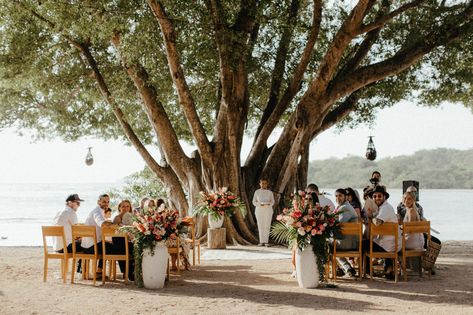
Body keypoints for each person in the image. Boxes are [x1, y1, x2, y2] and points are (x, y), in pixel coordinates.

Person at [362, 185, 401, 280]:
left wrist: (371, 216)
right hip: (391, 243)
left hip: (390, 245)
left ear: (384, 197)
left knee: (362, 244)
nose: (376, 198)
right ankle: (388, 268)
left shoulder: (385, 208)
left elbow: (377, 223)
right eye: (374, 196)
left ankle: (367, 271)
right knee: (370, 241)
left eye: (379, 196)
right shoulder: (383, 208)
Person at [81, 194, 115, 277]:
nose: (106, 204)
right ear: (98, 202)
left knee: (106, 245)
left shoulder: (98, 211)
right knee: (113, 247)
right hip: (92, 246)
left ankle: (95, 271)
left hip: (86, 245)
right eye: (104, 201)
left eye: (108, 202)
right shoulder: (97, 211)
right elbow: (102, 223)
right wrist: (116, 224)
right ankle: (99, 272)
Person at [52, 194, 83, 273]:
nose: (79, 206)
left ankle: (80, 269)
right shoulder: (71, 212)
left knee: (82, 243)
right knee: (88, 245)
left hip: (57, 247)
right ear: (70, 203)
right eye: (77, 203)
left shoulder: (59, 212)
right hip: (66, 247)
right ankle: (80, 271)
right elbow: (77, 232)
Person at [333, 188, 359, 277]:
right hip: (349, 241)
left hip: (349, 243)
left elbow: (339, 224)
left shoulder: (345, 208)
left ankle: (341, 268)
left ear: (345, 197)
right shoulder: (342, 207)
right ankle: (347, 268)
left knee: (326, 245)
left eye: (340, 196)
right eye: (336, 196)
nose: (338, 198)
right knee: (329, 243)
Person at [252, 179, 275, 246]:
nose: (263, 184)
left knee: (267, 225)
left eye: (265, 183)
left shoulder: (270, 192)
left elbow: (272, 201)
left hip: (268, 210)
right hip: (259, 210)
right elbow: (254, 201)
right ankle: (261, 241)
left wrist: (268, 204)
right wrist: (259, 204)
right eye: (262, 183)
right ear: (260, 184)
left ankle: (266, 242)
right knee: (260, 225)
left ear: (267, 184)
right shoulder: (257, 192)